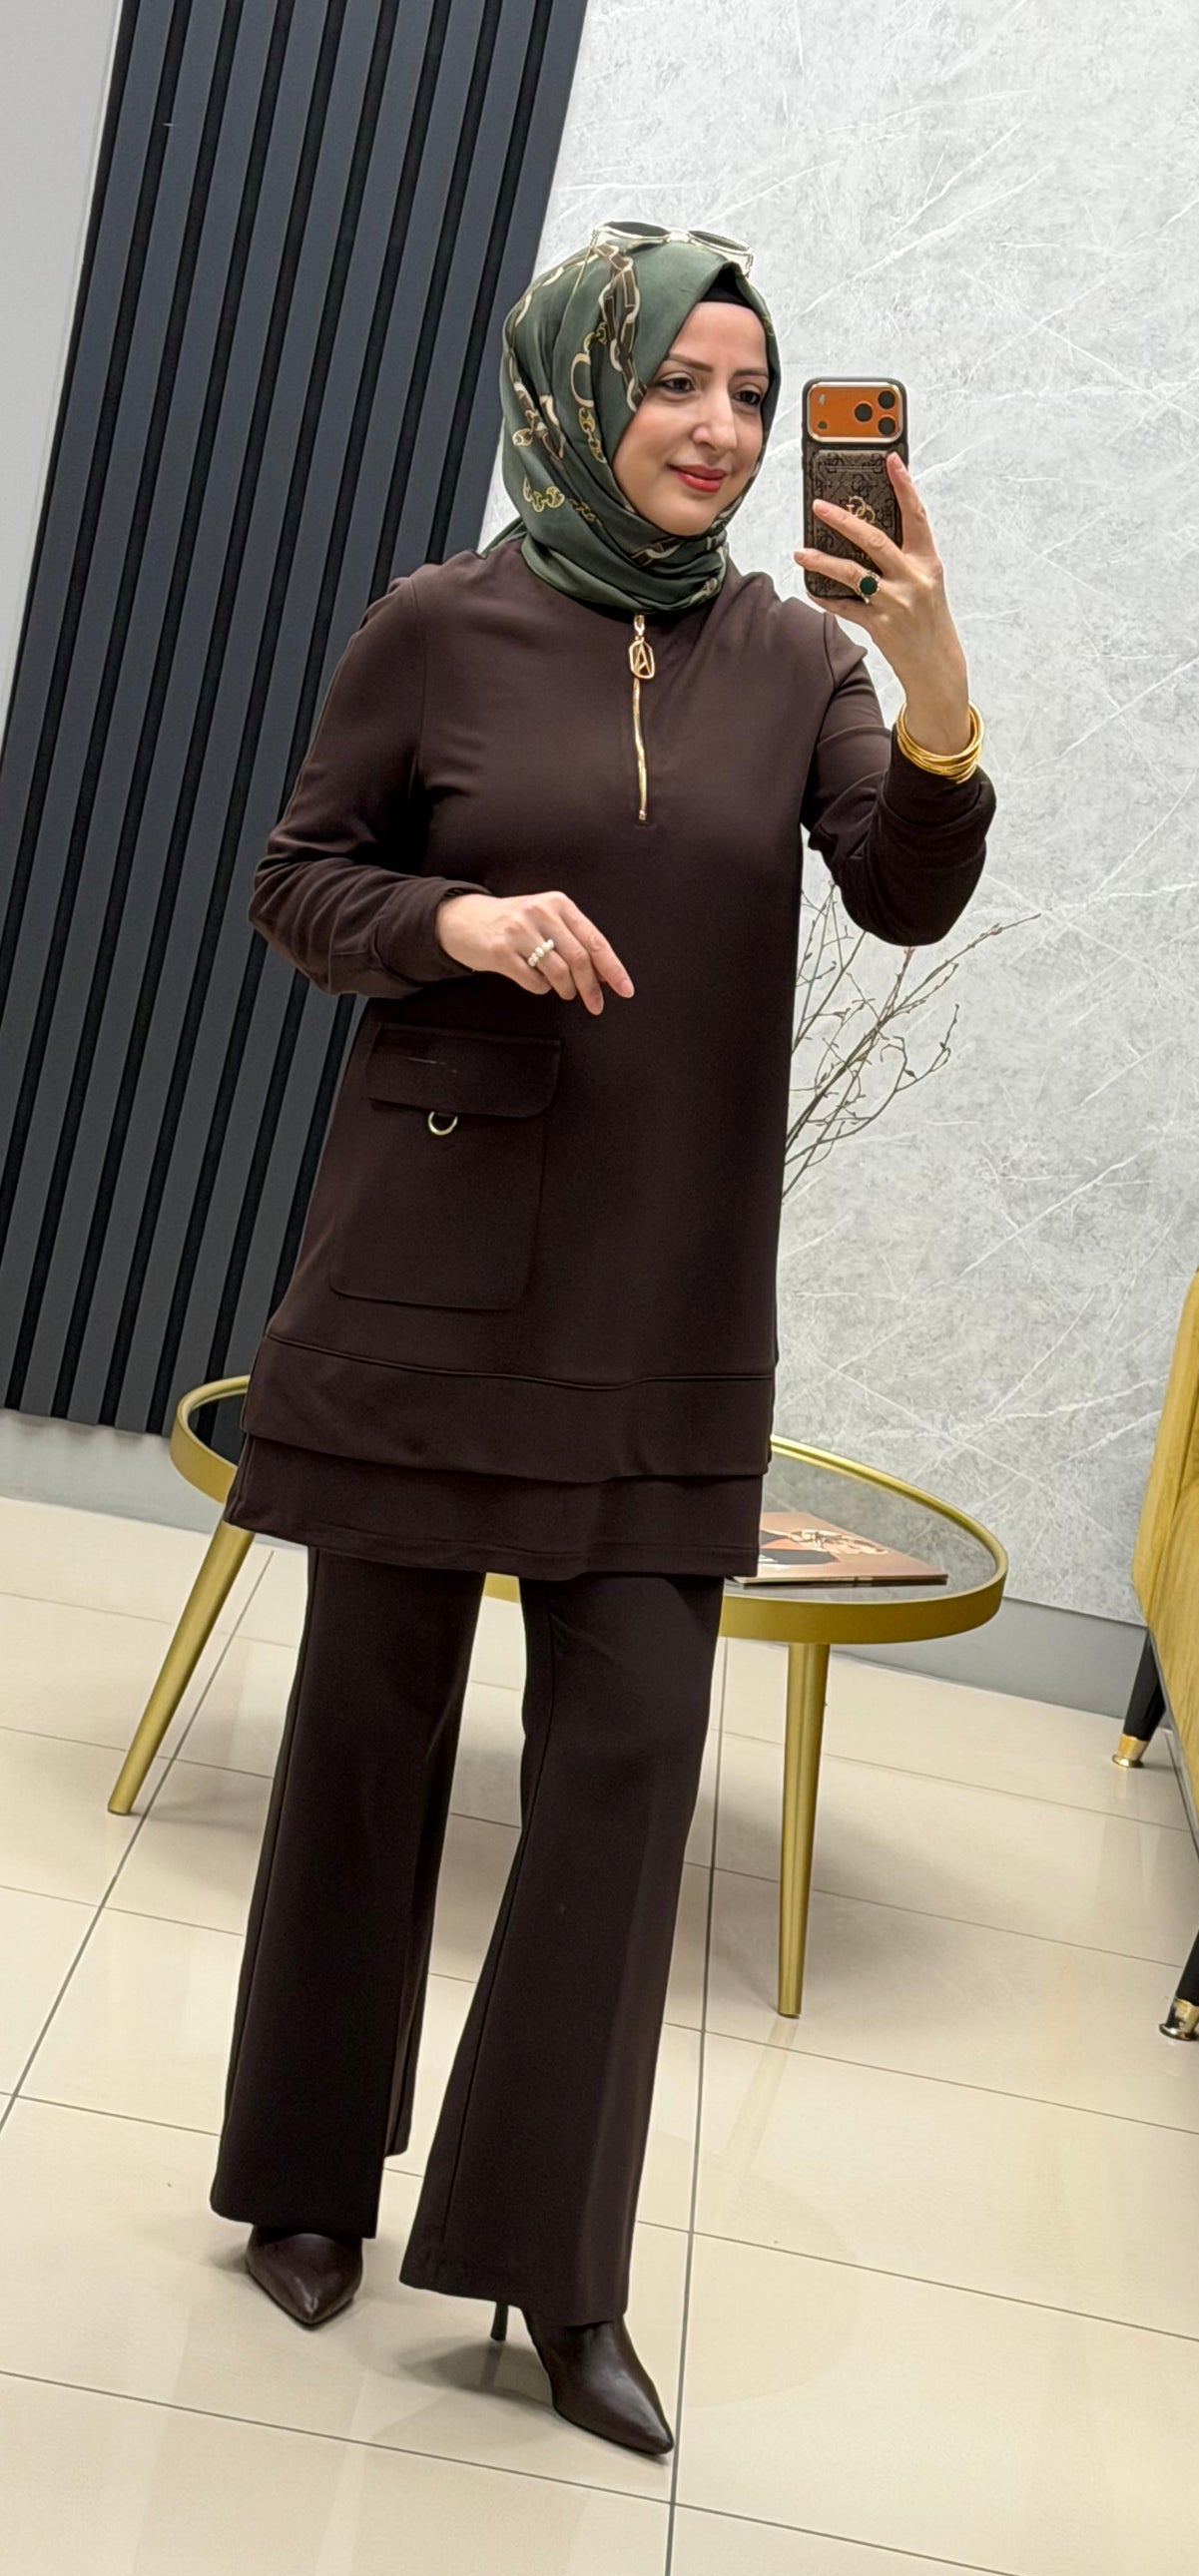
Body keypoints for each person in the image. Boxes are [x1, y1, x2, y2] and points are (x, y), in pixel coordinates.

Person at [207, 220, 995, 2458]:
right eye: (678, 383)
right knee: (366, 1730)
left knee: (629, 1762)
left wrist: (933, 678)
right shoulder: (436, 624)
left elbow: (904, 889)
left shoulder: (799, 657)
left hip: (665, 1289)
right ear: (580, 387)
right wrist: (456, 917)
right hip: (430, 1261)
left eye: (751, 394)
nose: (721, 431)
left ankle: (553, 2269)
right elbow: (296, 880)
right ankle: (303, 2184)